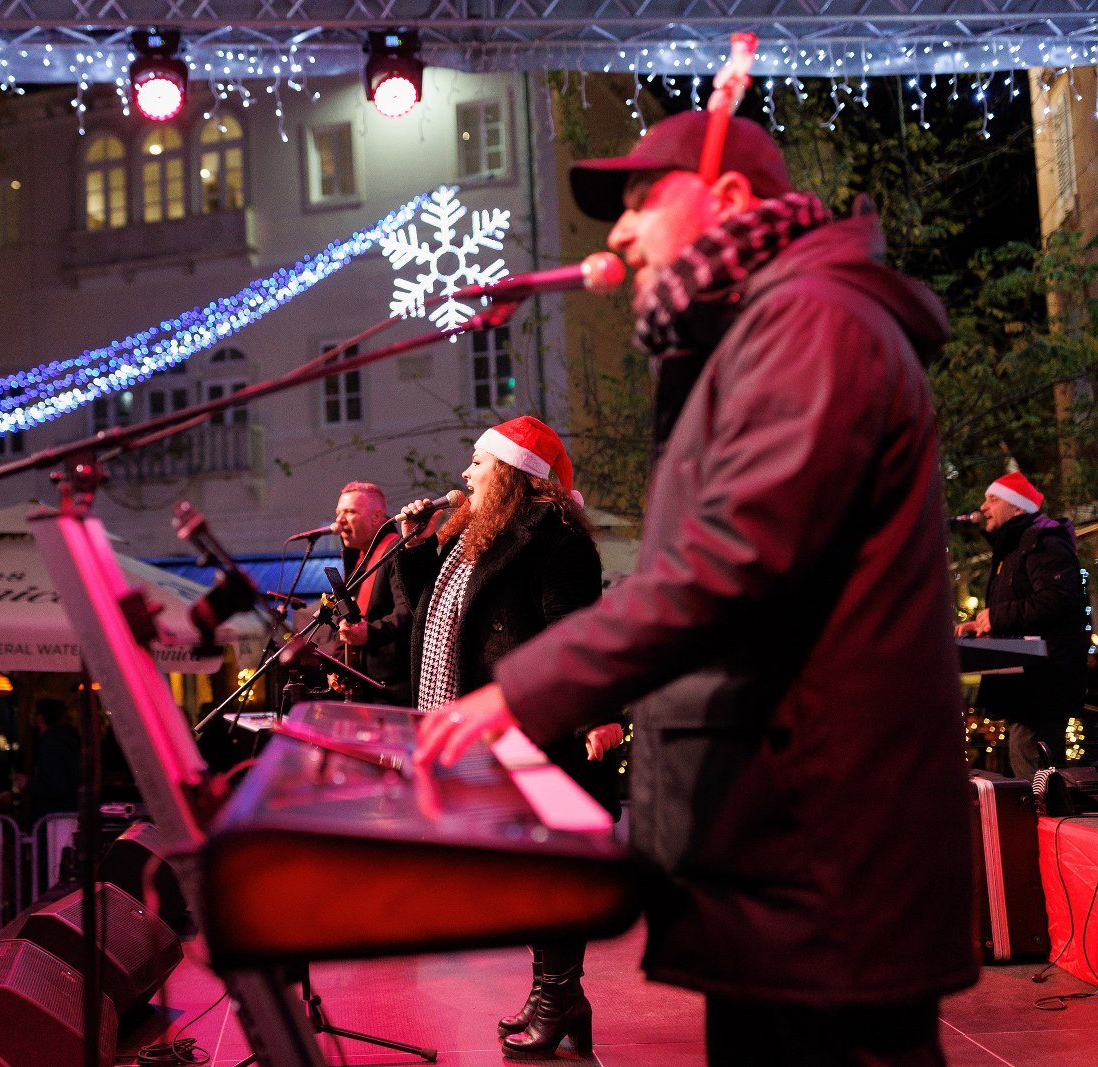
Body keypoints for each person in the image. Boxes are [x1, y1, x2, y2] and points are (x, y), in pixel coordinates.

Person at [416, 111, 978, 1064]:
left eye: (642, 200)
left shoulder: (814, 323)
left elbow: (727, 567)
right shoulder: (763, 330)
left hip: (825, 851)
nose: (620, 231)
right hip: (783, 845)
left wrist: (514, 694)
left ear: (728, 198)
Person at [397, 416, 624, 1060]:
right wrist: (415, 548)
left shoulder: (554, 539)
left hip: (534, 730)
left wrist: (595, 714)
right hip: (489, 731)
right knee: (524, 872)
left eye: (478, 461)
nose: (465, 473)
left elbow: (574, 634)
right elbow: (431, 619)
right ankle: (554, 995)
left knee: (546, 869)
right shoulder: (477, 538)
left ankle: (558, 999)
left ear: (510, 472)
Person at [956, 470, 1088, 780]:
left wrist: (997, 616)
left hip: (1042, 684)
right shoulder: (1017, 545)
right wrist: (986, 624)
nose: (983, 507)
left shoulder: (1043, 540)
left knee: (1034, 775)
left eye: (993, 499)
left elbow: (1057, 599)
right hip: (1028, 685)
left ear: (1017, 507)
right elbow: (1027, 606)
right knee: (1029, 769)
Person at [332, 481, 412, 704]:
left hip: (394, 692)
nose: (339, 521)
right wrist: (337, 663)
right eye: (338, 513)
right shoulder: (359, 559)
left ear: (377, 517)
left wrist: (371, 632)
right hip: (368, 687)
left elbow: (409, 612)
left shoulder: (397, 551)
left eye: (350, 512)